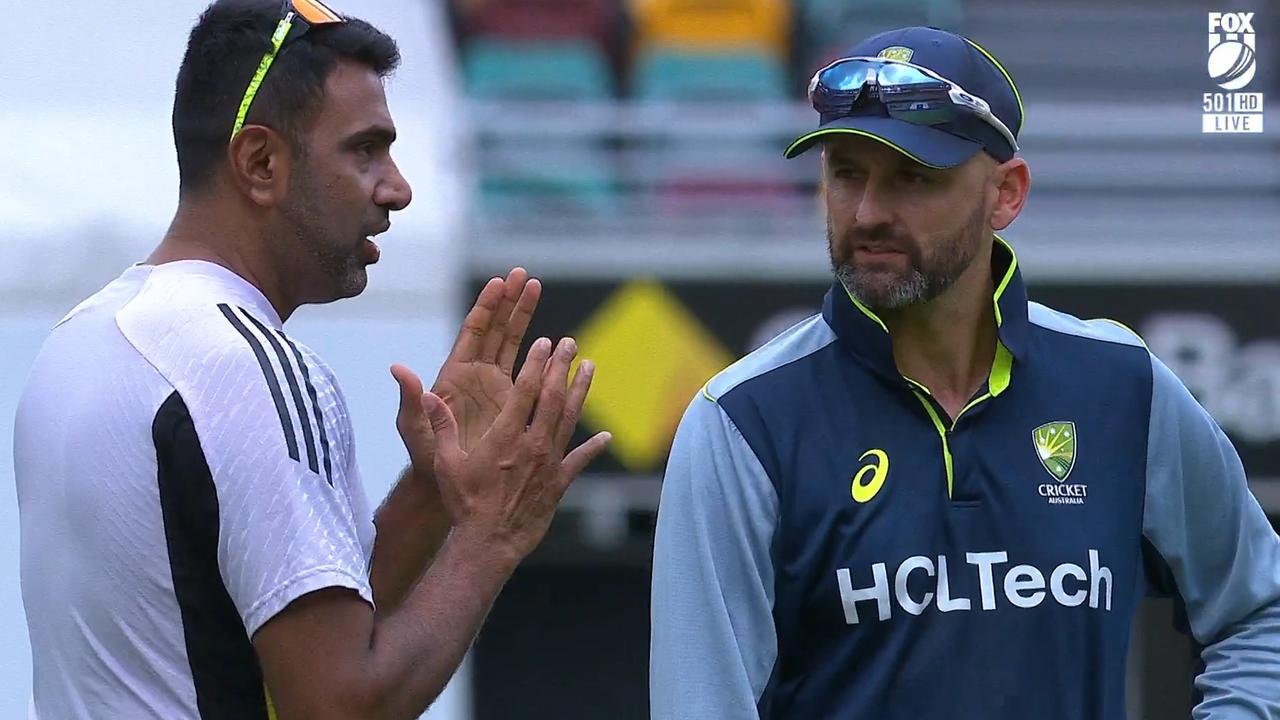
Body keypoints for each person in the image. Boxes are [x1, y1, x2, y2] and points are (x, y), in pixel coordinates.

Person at [650, 25, 1280, 719]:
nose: (868, 213)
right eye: (846, 173)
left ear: (1005, 194)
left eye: (913, 177)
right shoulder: (741, 422)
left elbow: (1260, 609)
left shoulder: (1123, 386)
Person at [12, 1, 610, 718]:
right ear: (260, 162)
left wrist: (430, 492)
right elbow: (335, 705)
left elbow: (291, 634)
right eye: (366, 149)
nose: (399, 188)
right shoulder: (249, 368)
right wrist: (494, 534)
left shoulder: (84, 336)